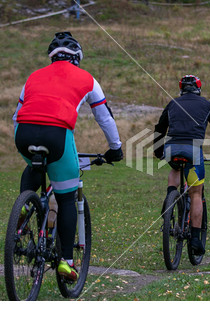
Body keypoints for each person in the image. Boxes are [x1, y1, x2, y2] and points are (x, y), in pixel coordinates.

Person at [12, 31, 123, 282]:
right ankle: (67, 261)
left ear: (52, 57)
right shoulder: (88, 79)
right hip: (57, 135)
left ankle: (22, 215)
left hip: (23, 133)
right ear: (78, 57)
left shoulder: (33, 77)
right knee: (66, 199)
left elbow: (16, 114)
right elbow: (104, 116)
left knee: (34, 165)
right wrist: (115, 147)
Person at [153, 75, 210, 255]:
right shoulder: (207, 104)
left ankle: (170, 198)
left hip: (171, 148)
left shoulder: (173, 103)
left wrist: (158, 151)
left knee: (175, 168)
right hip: (193, 149)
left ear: (181, 90)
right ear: (198, 89)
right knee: (196, 193)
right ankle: (195, 239)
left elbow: (159, 127)